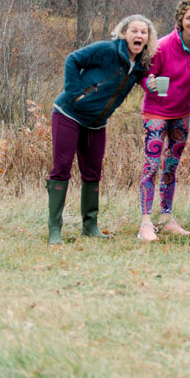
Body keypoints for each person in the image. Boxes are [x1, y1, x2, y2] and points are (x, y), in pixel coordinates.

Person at [46, 14, 157, 245]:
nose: (139, 35)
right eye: (134, 31)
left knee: (93, 172)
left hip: (97, 123)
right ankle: (55, 230)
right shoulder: (106, 50)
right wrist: (74, 92)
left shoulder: (140, 64)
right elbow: (73, 59)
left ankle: (90, 226)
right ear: (124, 33)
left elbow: (149, 77)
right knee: (62, 167)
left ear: (148, 38)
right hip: (69, 113)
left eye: (144, 32)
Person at [136, 0, 190, 242]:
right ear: (180, 20)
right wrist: (151, 83)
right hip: (156, 113)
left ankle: (166, 218)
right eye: (189, 17)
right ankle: (145, 223)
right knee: (152, 166)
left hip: (182, 113)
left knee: (171, 167)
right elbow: (144, 76)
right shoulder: (163, 45)